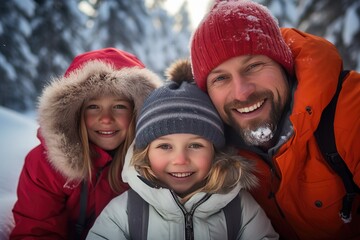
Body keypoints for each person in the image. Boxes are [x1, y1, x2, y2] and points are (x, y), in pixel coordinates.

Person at [189, 0, 360, 239]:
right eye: (220, 79)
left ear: (283, 64)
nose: (242, 92)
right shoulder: (209, 151)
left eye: (254, 66)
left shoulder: (349, 109)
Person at [86, 59, 279, 240]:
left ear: (215, 152)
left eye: (195, 145)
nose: (180, 159)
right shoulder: (125, 212)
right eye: (165, 146)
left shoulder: (240, 208)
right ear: (145, 153)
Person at [10, 48, 162, 239]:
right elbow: (36, 231)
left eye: (119, 106)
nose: (106, 118)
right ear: (74, 114)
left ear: (137, 112)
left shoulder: (155, 160)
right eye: (93, 107)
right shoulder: (46, 164)